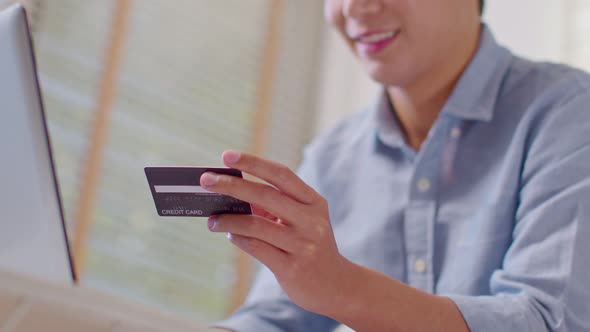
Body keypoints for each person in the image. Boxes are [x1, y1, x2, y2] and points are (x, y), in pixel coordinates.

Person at [205, 0, 590, 331]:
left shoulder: (570, 112)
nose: (355, 7)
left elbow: (546, 321)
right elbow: (273, 321)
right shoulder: (331, 157)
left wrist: (342, 287)